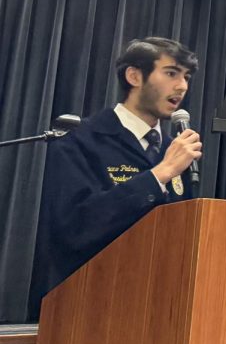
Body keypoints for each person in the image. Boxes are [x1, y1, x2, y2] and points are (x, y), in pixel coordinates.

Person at [29, 37, 202, 318]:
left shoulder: (173, 152)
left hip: (158, 307)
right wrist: (158, 176)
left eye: (186, 77)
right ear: (134, 76)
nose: (182, 86)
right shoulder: (81, 140)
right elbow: (75, 226)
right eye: (171, 73)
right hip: (90, 308)